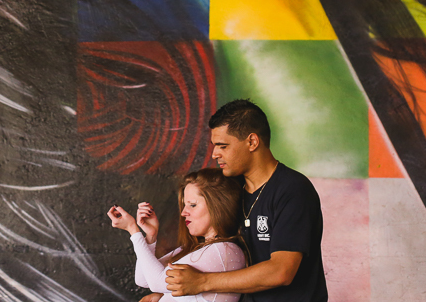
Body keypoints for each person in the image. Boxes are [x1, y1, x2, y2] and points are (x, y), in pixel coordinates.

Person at [164, 100, 327, 302]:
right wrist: (167, 293)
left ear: (252, 142)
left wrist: (202, 282)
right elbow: (208, 251)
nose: (215, 154)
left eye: (222, 146)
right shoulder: (230, 189)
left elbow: (281, 271)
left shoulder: (293, 190)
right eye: (214, 146)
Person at [108, 169, 247, 302]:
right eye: (184, 205)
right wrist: (150, 236)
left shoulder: (224, 250)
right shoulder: (197, 249)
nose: (183, 213)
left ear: (218, 206)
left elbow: (156, 282)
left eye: (192, 205)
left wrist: (133, 230)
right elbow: (143, 279)